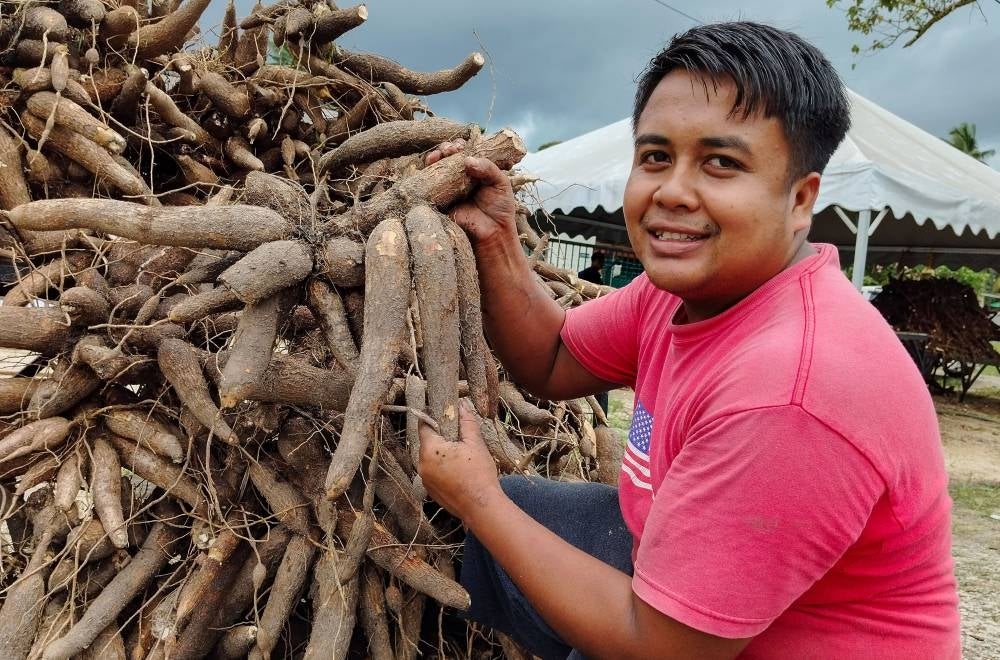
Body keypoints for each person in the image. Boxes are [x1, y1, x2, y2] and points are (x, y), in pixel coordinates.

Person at [420, 21, 960, 660]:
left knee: (494, 518)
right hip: (699, 608)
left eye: (721, 163)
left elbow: (664, 650)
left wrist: (480, 500)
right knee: (476, 527)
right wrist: (497, 239)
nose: (672, 192)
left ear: (800, 201)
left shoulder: (790, 393)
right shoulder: (681, 292)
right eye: (655, 157)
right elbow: (554, 357)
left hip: (711, 646)